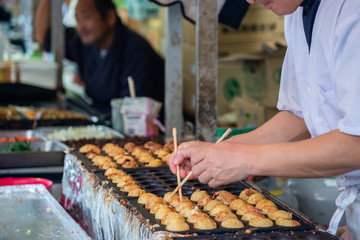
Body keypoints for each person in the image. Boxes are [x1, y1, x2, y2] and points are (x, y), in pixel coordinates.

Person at [169, 0, 360, 239]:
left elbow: (356, 144)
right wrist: (225, 150)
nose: (249, 0)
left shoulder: (353, 11)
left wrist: (246, 160)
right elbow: (300, 114)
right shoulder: (296, 11)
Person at [35, 0, 165, 115]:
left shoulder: (137, 53)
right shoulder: (86, 43)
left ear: (110, 17)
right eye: (77, 19)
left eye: (86, 17)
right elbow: (43, 36)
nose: (80, 27)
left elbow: (135, 114)